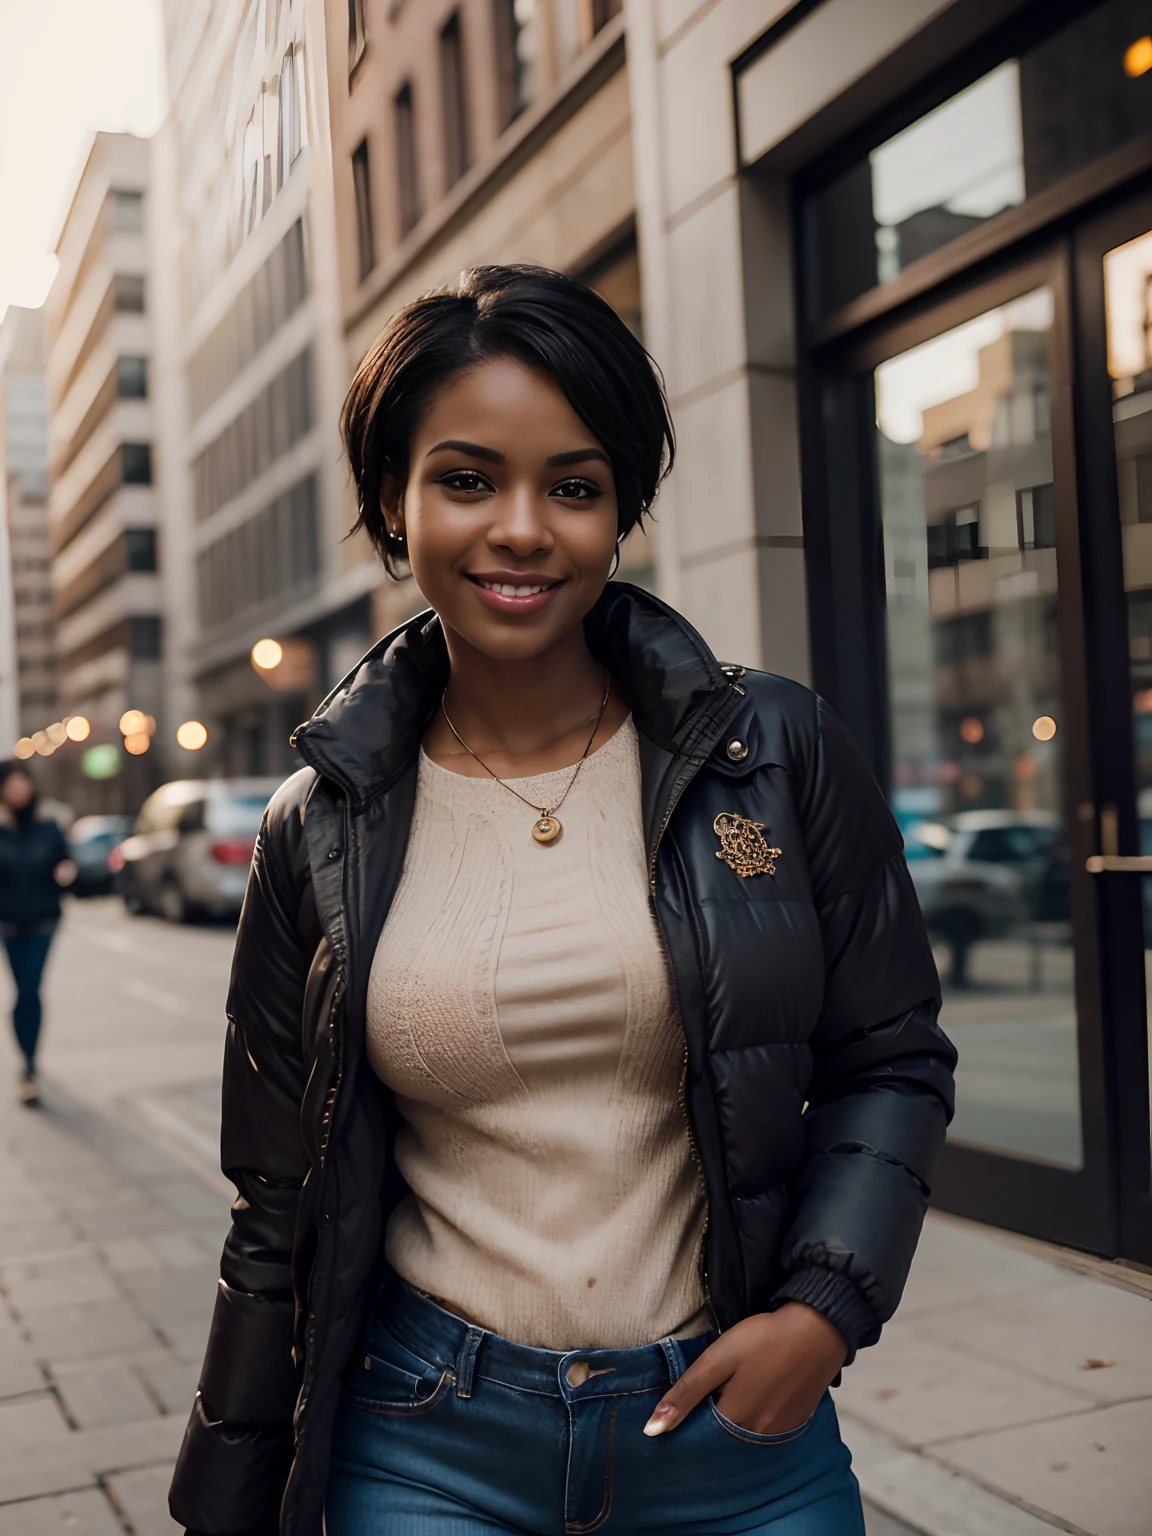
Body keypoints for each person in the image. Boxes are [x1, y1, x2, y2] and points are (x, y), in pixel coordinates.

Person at [169, 266, 956, 1536]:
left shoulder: (774, 747)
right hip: (427, 1436)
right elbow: (278, 1203)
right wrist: (224, 1502)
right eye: (468, 479)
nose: (523, 529)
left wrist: (820, 1313)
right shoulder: (313, 830)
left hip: (730, 1433)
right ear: (393, 500)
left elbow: (893, 1059)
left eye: (575, 487)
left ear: (620, 510)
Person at [0, 761, 75, 1105]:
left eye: (22, 783)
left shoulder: (48, 825)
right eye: (10, 784)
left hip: (43, 921)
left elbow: (65, 862)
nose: (18, 790)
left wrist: (66, 872)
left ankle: (29, 1067)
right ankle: (27, 1060)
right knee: (22, 992)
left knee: (30, 988)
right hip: (10, 922)